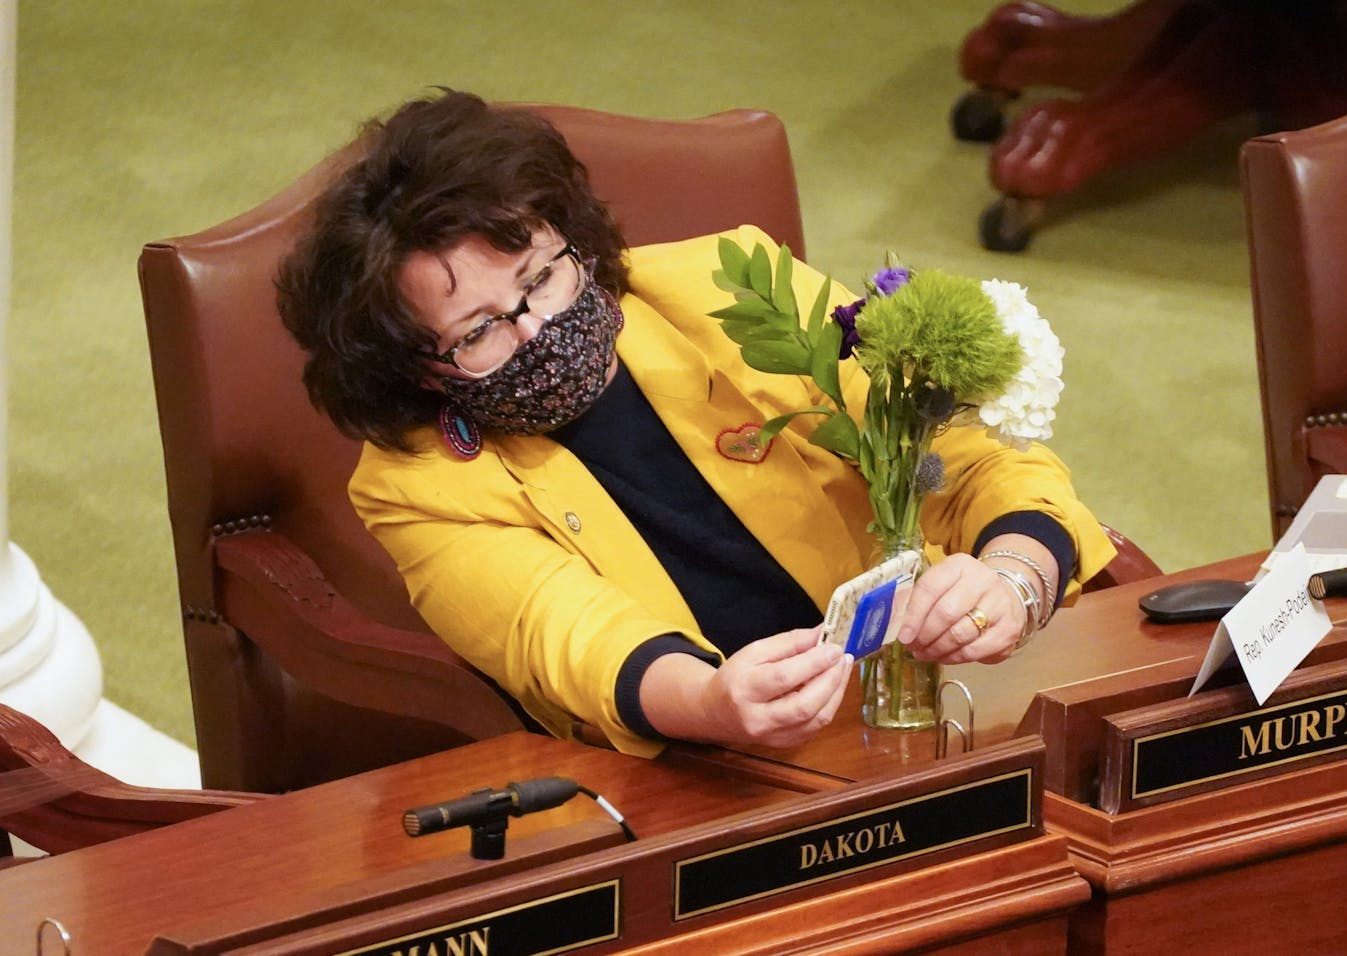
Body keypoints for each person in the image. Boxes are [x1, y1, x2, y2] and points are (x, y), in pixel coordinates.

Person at [277, 89, 1116, 757]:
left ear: (573, 238)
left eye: (540, 280)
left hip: (926, 698)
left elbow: (964, 456)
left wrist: (1015, 576)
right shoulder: (416, 483)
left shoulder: (729, 284)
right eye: (480, 330)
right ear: (420, 369)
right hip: (707, 766)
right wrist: (714, 704)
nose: (536, 329)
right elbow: (566, 637)